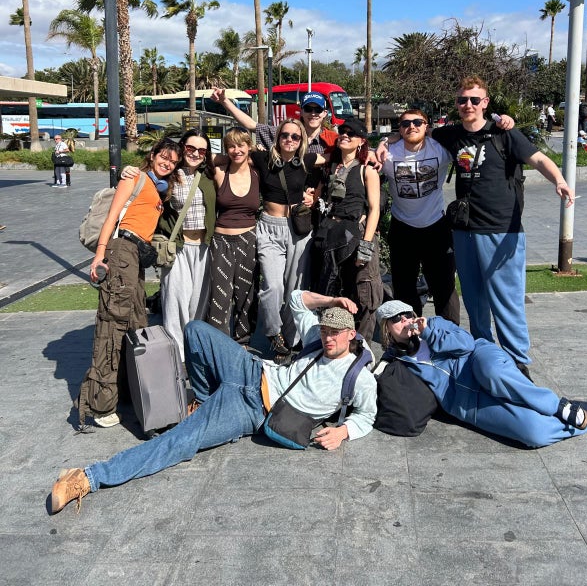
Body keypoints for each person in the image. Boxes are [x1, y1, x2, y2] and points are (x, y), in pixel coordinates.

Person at [50, 289, 377, 514]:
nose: (328, 337)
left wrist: (343, 432)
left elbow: (367, 415)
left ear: (351, 335)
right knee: (195, 331)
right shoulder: (316, 338)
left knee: (179, 442)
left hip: (253, 409)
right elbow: (296, 299)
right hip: (250, 369)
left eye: (336, 333)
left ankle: (88, 477)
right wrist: (332, 300)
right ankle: (206, 401)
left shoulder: (358, 376)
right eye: (326, 330)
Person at [431, 76, 574, 378]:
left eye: (474, 100)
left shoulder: (504, 133)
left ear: (485, 103)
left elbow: (539, 160)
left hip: (500, 230)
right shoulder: (451, 135)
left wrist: (559, 181)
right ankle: (485, 358)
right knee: (474, 301)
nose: (468, 105)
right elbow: (418, 132)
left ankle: (518, 364)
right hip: (464, 231)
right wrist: (389, 142)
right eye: (462, 100)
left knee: (506, 302)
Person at [375, 301, 587, 448]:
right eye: (396, 318)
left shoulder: (435, 324)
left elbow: (466, 344)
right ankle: (582, 415)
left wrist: (430, 334)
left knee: (492, 373)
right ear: (386, 328)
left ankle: (556, 405)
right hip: (467, 402)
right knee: (533, 433)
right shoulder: (396, 362)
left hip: (478, 360)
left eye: (407, 314)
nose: (404, 320)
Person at [78, 137, 182, 429]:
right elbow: (112, 217)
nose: (167, 163)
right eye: (164, 157)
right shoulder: (135, 177)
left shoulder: (159, 188)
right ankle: (100, 404)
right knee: (113, 325)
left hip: (135, 256)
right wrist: (99, 255)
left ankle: (125, 391)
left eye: (173, 161)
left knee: (136, 323)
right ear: (153, 154)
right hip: (121, 250)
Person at [121, 130, 217, 359]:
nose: (195, 154)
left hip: (204, 248)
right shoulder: (169, 175)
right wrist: (127, 171)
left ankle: (195, 353)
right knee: (176, 303)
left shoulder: (210, 175)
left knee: (198, 304)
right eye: (190, 148)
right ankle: (177, 357)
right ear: (182, 147)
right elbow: (144, 180)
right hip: (177, 249)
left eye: (201, 150)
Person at [250, 119, 325, 360]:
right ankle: (273, 333)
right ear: (277, 137)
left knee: (296, 287)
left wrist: (316, 195)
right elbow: (234, 153)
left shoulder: (306, 161)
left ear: (302, 140)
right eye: (284, 135)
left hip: (298, 230)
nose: (289, 140)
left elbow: (336, 158)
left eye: (295, 136)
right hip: (270, 228)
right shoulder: (262, 158)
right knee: (273, 286)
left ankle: (289, 342)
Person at [379, 108, 460, 324]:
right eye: (405, 124)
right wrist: (383, 143)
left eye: (417, 122)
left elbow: (468, 137)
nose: (411, 127)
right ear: (399, 129)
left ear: (426, 126)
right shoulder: (389, 153)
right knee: (404, 288)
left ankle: (450, 334)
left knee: (444, 286)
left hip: (436, 225)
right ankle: (410, 335)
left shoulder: (439, 149)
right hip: (402, 227)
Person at [312, 117, 383, 342]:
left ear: (361, 141)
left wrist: (366, 247)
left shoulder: (367, 170)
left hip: (357, 235)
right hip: (329, 236)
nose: (345, 135)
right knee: (331, 290)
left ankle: (361, 346)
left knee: (363, 293)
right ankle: (334, 342)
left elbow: (374, 209)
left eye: (351, 133)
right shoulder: (330, 166)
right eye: (342, 131)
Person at [206, 127, 260, 346]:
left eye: (241, 145)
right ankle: (218, 344)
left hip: (249, 240)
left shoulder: (258, 172)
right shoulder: (220, 171)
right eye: (231, 146)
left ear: (249, 146)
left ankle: (242, 342)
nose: (236, 150)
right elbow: (200, 155)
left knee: (246, 295)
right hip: (221, 242)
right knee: (219, 296)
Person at [212, 87, 339, 156]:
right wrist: (224, 101)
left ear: (324, 113)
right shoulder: (284, 135)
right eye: (308, 109)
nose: (313, 114)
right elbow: (251, 125)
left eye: (318, 110)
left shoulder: (332, 140)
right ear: (301, 111)